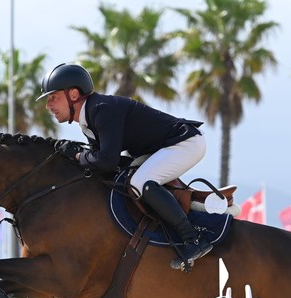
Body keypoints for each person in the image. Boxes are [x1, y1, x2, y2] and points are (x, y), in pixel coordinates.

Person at [37, 63, 212, 271]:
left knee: (141, 182)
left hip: (185, 143)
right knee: (128, 179)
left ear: (73, 94)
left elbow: (106, 160)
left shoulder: (102, 109)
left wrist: (76, 155)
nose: (48, 105)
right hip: (160, 149)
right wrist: (78, 155)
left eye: (53, 97)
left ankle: (193, 239)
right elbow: (101, 164)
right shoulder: (87, 121)